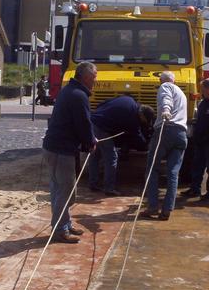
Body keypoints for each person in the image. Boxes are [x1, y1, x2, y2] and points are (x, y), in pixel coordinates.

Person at [42, 61, 97, 243]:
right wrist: (90, 142)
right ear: (87, 77)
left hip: (56, 147)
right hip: (60, 150)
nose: (95, 82)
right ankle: (59, 230)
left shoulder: (70, 91)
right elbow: (83, 123)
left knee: (61, 190)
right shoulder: (78, 96)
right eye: (94, 78)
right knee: (64, 192)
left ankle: (65, 223)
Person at [141, 71, 188, 220]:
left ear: (163, 80)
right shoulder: (182, 94)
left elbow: (165, 98)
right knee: (173, 173)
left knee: (152, 169)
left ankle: (153, 207)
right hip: (181, 134)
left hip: (166, 129)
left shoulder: (166, 86)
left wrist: (166, 110)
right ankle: (167, 209)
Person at [89, 95, 155, 196]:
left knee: (95, 155)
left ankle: (93, 183)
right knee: (112, 157)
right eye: (144, 120)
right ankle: (109, 188)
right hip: (101, 128)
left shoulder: (129, 100)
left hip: (93, 121)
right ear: (142, 115)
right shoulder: (132, 117)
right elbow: (137, 136)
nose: (142, 122)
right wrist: (146, 145)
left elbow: (104, 102)